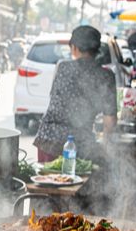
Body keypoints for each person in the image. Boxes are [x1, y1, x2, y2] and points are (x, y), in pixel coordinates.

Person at [34, 26, 117, 163]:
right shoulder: (106, 76)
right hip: (80, 144)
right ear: (97, 49)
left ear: (74, 48)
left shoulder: (63, 67)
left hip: (48, 139)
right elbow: (110, 121)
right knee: (79, 182)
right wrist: (106, 149)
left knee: (48, 182)